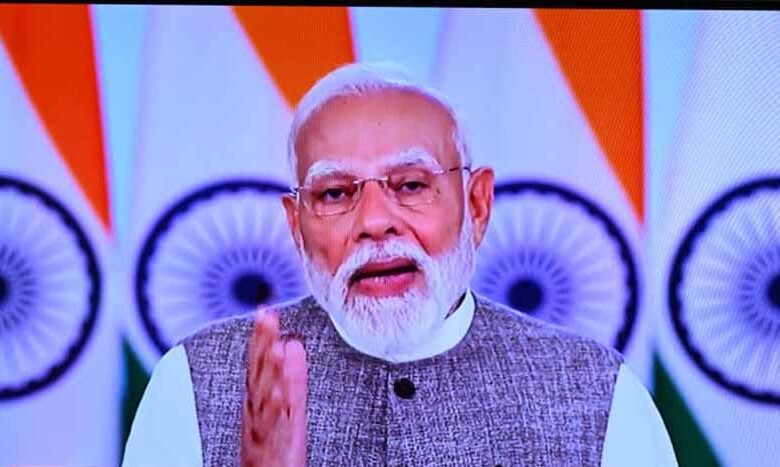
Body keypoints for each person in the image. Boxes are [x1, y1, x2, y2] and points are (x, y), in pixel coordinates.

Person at [123, 62, 678, 467]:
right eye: (335, 193)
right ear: (296, 225)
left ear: (477, 205)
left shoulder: (598, 393)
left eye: (411, 185)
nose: (374, 221)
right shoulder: (191, 383)